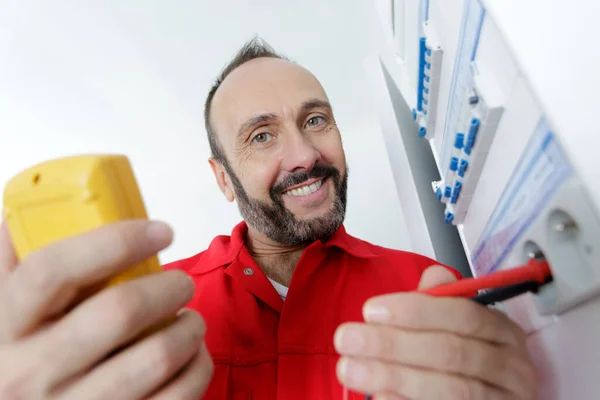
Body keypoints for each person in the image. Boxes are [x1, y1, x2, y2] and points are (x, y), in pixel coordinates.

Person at [0, 38, 538, 400]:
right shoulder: (146, 313)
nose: (304, 154)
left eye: (316, 119)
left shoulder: (431, 287)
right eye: (262, 136)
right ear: (223, 178)